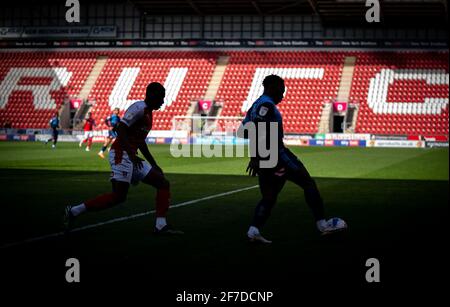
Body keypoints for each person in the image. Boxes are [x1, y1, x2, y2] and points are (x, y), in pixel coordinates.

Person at [64, 82, 182, 235]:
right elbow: (120, 129)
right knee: (118, 197)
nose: (162, 102)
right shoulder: (139, 108)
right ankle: (73, 211)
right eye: (161, 98)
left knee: (163, 183)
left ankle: (160, 226)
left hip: (132, 156)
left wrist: (154, 164)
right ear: (152, 96)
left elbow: (140, 141)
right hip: (121, 154)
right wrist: (131, 155)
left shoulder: (148, 113)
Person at [240, 75, 347, 243]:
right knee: (308, 183)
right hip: (277, 156)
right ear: (272, 87)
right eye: (281, 90)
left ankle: (253, 231)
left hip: (264, 158)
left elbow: (244, 131)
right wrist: (256, 156)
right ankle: (323, 225)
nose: (283, 94)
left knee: (269, 197)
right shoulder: (266, 106)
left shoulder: (255, 106)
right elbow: (258, 130)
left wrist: (256, 157)